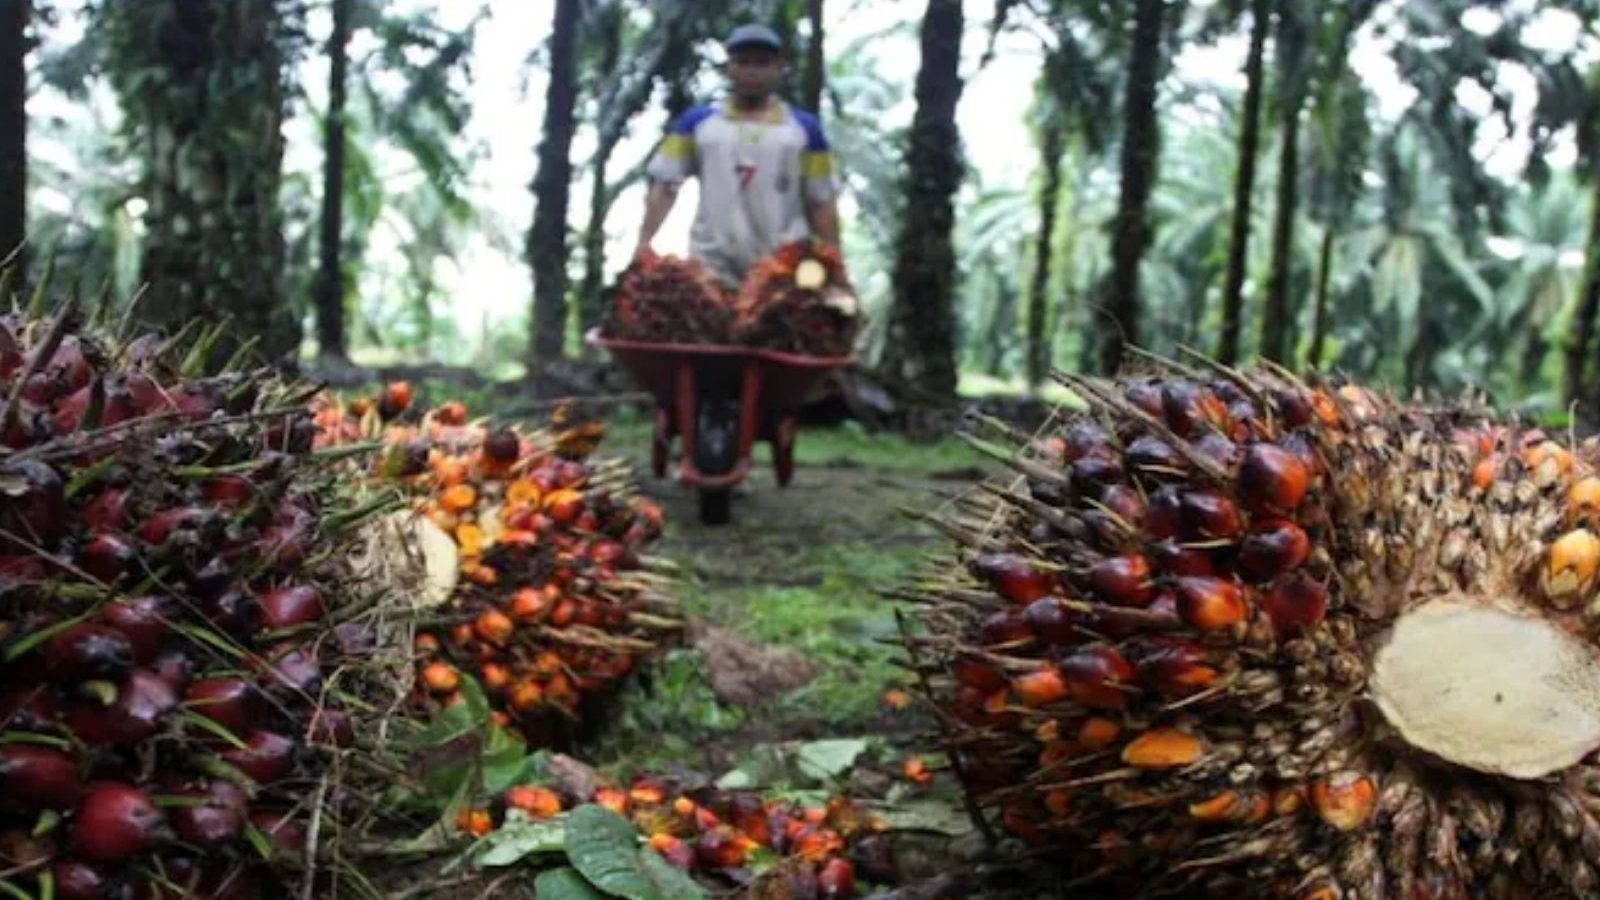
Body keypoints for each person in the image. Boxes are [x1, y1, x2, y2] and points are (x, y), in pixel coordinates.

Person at [635, 23, 843, 290]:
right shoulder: (698, 123)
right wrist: (643, 245)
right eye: (743, 62)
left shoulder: (804, 130)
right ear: (728, 67)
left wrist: (836, 268)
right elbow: (665, 186)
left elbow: (822, 202)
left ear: (780, 68)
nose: (752, 72)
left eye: (762, 63)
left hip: (783, 269)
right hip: (710, 268)